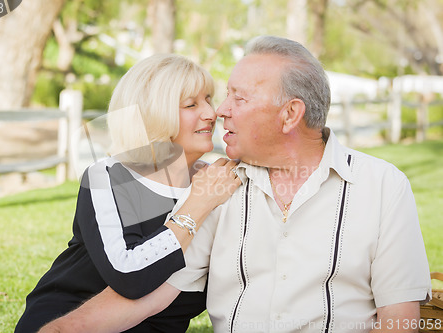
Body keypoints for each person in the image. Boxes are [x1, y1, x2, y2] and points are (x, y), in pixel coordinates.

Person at [39, 36, 432, 333]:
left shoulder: (382, 187)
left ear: (290, 114)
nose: (220, 111)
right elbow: (143, 299)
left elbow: (400, 320)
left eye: (237, 98)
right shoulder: (217, 187)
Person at [15, 54, 241, 333]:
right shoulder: (108, 176)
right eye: (191, 104)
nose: (211, 112)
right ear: (153, 114)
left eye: (208, 98)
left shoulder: (218, 179)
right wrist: (198, 203)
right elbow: (129, 275)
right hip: (65, 320)